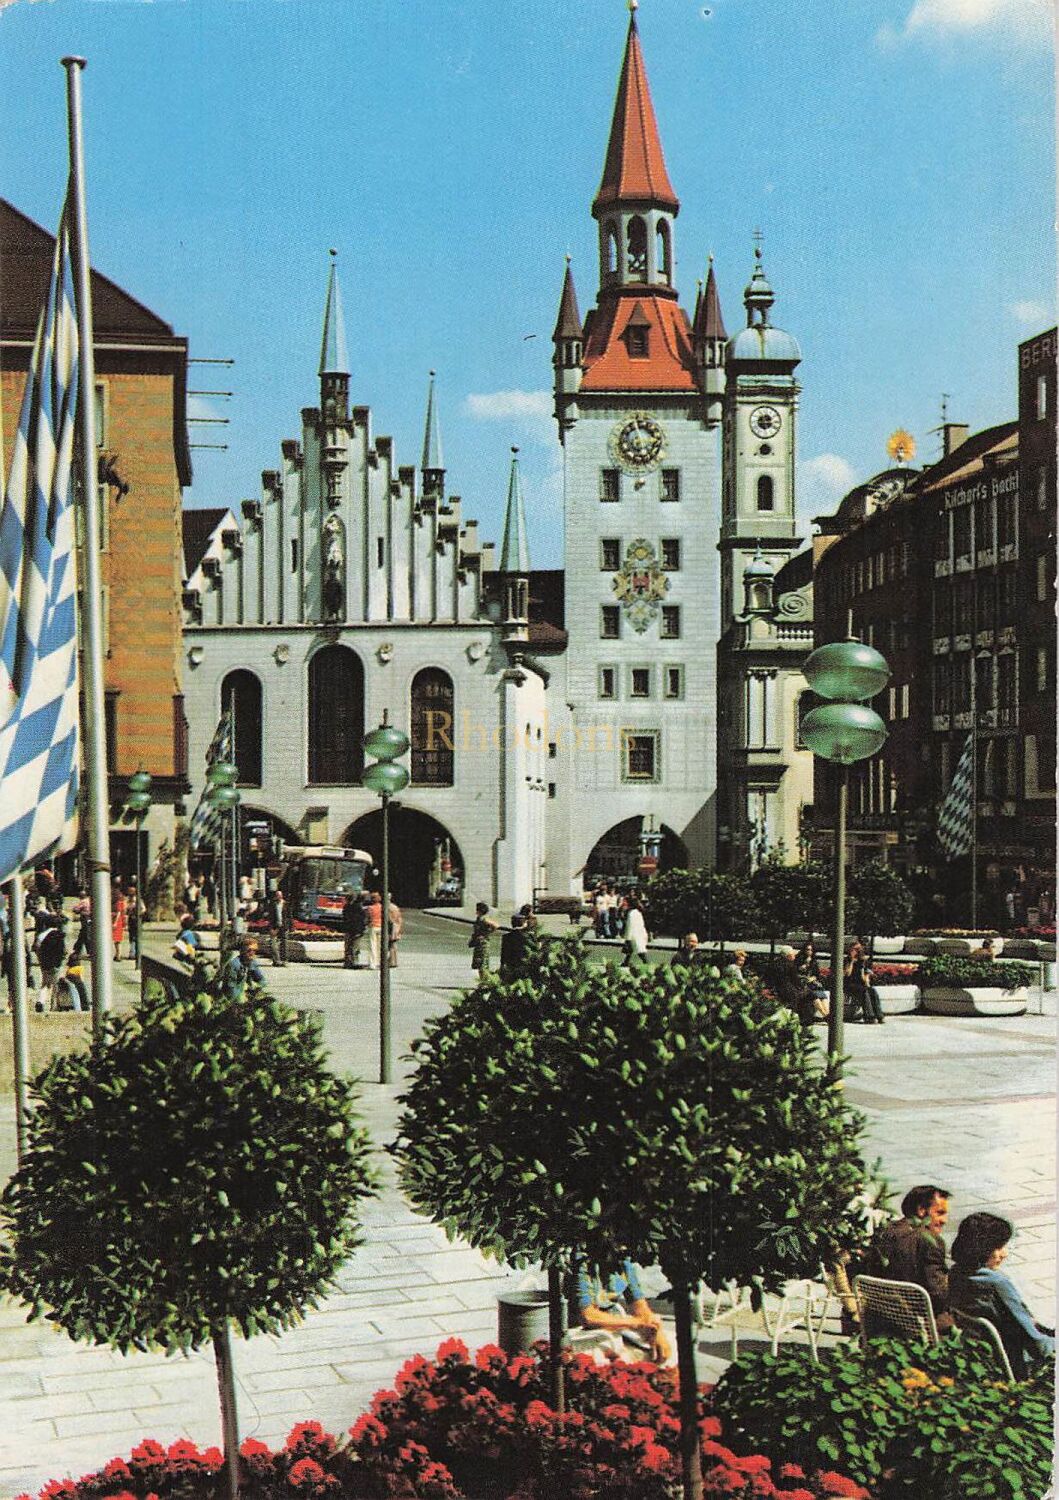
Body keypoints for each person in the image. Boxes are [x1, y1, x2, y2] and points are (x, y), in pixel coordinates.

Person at [949, 1212, 1055, 1376]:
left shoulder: (955, 1273)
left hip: (982, 1353)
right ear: (981, 1249)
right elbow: (1036, 1344)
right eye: (998, 1247)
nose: (1004, 1253)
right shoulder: (997, 1284)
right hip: (1014, 1363)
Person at [862, 1184, 953, 1332]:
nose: (945, 1220)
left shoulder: (884, 1231)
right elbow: (938, 1294)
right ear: (921, 1211)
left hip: (876, 1322)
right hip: (914, 1326)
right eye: (940, 1213)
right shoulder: (929, 1241)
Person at [574, 1258, 672, 1365]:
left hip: (611, 1329)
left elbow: (639, 1306)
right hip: (579, 1334)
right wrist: (637, 1324)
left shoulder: (623, 1260)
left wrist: (656, 1332)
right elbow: (587, 1316)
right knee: (622, 1362)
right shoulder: (582, 1259)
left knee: (667, 1351)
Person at [34, 910, 67, 1012]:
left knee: (45, 984)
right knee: (55, 985)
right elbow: (63, 950)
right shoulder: (59, 935)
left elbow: (37, 948)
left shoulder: (41, 935)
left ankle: (40, 1001)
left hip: (45, 964)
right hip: (56, 964)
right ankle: (54, 1006)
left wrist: (41, 960)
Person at [844, 940, 884, 1024]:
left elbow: (863, 977)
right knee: (864, 991)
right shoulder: (846, 960)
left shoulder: (861, 961)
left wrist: (867, 978)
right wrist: (851, 960)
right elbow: (847, 974)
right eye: (855, 949)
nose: (857, 951)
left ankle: (879, 1015)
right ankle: (869, 1016)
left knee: (872, 991)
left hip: (859, 984)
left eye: (859, 949)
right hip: (849, 984)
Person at [216, 936, 266, 1001]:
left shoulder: (253, 963)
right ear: (242, 951)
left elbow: (262, 980)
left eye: (255, 950)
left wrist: (256, 985)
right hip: (231, 997)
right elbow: (231, 988)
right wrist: (243, 996)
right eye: (249, 950)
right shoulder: (234, 965)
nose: (252, 953)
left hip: (245, 994)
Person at [794, 940, 829, 1021]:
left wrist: (813, 978)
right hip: (803, 985)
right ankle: (826, 1016)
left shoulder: (814, 961)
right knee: (815, 996)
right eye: (807, 949)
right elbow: (795, 972)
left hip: (812, 984)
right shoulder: (798, 960)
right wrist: (805, 965)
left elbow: (817, 974)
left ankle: (827, 1015)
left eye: (811, 950)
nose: (809, 952)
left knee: (823, 996)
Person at [469, 902, 498, 976]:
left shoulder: (484, 919)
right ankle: (482, 980)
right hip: (478, 942)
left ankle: (484, 981)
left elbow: (496, 925)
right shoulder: (479, 918)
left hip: (483, 943)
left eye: (477, 909)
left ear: (480, 911)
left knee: (483, 963)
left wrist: (487, 933)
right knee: (479, 963)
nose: (476, 911)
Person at [499, 911, 529, 978]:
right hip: (524, 967)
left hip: (510, 966)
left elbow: (503, 953)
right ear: (523, 923)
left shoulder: (506, 937)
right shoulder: (527, 936)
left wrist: (502, 965)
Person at [342, 891, 366, 969]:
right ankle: (354, 962)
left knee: (348, 947)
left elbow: (345, 918)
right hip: (356, 930)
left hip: (348, 929)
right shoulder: (358, 908)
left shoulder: (346, 907)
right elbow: (361, 920)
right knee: (355, 947)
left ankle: (347, 962)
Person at [623, 897, 648, 965]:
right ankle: (625, 962)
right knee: (631, 949)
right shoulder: (638, 912)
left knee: (639, 950)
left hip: (634, 934)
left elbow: (630, 926)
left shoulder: (631, 913)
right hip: (640, 933)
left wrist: (628, 937)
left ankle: (646, 962)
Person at [268, 886, 288, 966]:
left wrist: (289, 927)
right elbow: (270, 917)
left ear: (282, 896)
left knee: (284, 945)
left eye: (280, 895)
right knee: (273, 945)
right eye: (277, 895)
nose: (278, 897)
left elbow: (289, 916)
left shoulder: (286, 904)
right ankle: (276, 960)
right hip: (274, 927)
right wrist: (270, 928)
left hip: (283, 927)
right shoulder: (272, 904)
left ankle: (284, 960)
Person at [365, 891, 383, 970]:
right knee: (379, 945)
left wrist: (367, 923)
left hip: (373, 927)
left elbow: (367, 918)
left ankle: (372, 964)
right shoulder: (382, 907)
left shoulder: (370, 908)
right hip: (381, 926)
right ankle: (378, 962)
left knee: (372, 945)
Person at [111, 883, 128, 962]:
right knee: (117, 940)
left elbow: (118, 912)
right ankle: (117, 954)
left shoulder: (118, 903)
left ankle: (118, 955)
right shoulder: (122, 901)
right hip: (120, 922)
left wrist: (114, 922)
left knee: (117, 940)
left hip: (117, 922)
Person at [387, 897, 403, 967]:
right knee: (393, 945)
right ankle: (393, 961)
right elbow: (399, 918)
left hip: (391, 928)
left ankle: (392, 961)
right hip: (396, 926)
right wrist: (399, 927)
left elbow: (389, 919)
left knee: (391, 945)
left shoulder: (388, 907)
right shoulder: (395, 907)